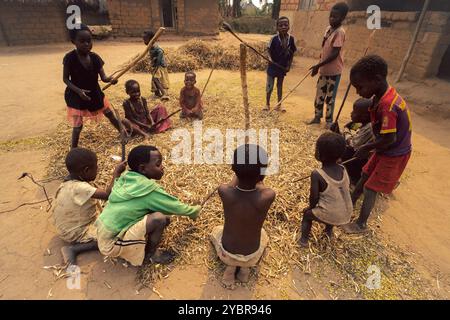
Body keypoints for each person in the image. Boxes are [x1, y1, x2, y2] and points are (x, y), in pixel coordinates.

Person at [95, 145, 201, 266]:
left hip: (103, 232)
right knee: (159, 219)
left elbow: (111, 191)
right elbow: (174, 206)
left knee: (162, 217)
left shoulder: (127, 177)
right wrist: (194, 211)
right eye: (158, 164)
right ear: (143, 168)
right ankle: (151, 255)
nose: (162, 167)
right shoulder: (147, 189)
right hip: (112, 242)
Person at [342, 55, 412, 234]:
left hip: (393, 153)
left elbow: (390, 139)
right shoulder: (379, 97)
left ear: (377, 80)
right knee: (365, 174)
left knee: (371, 188)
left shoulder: (388, 105)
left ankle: (361, 224)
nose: (358, 92)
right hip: (383, 147)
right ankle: (350, 201)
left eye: (360, 87)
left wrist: (366, 147)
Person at [210, 144, 276, 288]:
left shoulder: (224, 192)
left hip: (228, 252)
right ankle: (244, 270)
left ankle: (230, 269)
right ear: (263, 173)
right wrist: (259, 175)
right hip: (252, 254)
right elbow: (261, 185)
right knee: (263, 234)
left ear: (233, 168)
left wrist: (240, 169)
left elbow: (231, 184)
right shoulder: (267, 196)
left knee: (216, 230)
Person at [52, 148, 126, 265]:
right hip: (75, 232)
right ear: (86, 171)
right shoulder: (80, 188)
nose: (97, 170)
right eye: (96, 168)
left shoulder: (68, 183)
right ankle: (73, 249)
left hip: (67, 227)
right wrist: (116, 173)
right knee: (111, 237)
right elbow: (108, 195)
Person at [63, 24, 120, 149]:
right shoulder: (69, 58)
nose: (86, 44)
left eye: (89, 41)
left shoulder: (95, 58)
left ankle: (123, 133)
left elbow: (104, 78)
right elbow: (65, 79)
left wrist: (111, 80)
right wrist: (78, 91)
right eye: (82, 41)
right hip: (76, 96)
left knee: (109, 114)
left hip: (95, 92)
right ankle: (74, 149)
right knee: (78, 126)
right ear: (74, 42)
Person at [299, 132, 353, 247]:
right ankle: (328, 231)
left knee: (307, 215)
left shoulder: (317, 174)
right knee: (333, 202)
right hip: (347, 213)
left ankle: (303, 240)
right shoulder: (343, 169)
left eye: (317, 149)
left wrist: (310, 208)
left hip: (332, 215)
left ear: (319, 154)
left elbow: (314, 198)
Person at [308, 2, 349, 129]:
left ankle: (329, 121)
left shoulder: (340, 33)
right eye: (331, 16)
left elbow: (334, 54)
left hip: (334, 72)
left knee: (330, 98)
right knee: (319, 94)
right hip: (324, 71)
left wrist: (318, 65)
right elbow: (324, 50)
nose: (332, 19)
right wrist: (318, 66)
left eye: (335, 17)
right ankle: (317, 117)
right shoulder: (328, 29)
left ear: (342, 18)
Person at [331, 98, 374, 184]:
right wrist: (338, 132)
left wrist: (345, 130)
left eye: (354, 112)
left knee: (343, 150)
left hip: (363, 161)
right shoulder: (362, 124)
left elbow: (353, 144)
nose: (351, 113)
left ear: (364, 116)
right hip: (361, 154)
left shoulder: (369, 128)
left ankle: (355, 177)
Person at [263, 16, 297, 112]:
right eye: (280, 25)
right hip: (272, 67)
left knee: (280, 86)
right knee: (270, 85)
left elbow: (292, 54)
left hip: (282, 67)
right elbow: (268, 50)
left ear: (289, 26)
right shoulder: (273, 39)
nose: (283, 27)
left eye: (285, 25)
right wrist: (270, 59)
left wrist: (288, 66)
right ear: (277, 27)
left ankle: (279, 105)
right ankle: (267, 104)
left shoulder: (291, 39)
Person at [143, 30, 170, 101]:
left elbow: (161, 52)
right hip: (155, 65)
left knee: (156, 78)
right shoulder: (150, 46)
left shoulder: (156, 47)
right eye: (143, 39)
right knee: (154, 79)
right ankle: (157, 93)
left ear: (152, 39)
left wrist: (157, 62)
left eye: (146, 39)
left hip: (160, 65)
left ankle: (164, 93)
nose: (144, 41)